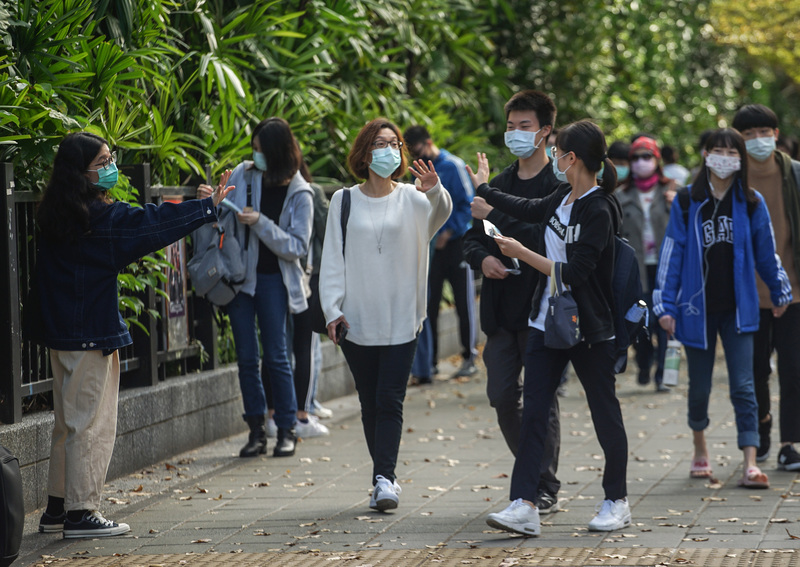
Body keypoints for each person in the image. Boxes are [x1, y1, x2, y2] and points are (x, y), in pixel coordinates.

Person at [28, 132, 231, 537]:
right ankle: (81, 513)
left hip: (62, 336)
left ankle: (57, 508)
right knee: (91, 425)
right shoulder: (99, 219)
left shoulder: (57, 213)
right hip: (91, 335)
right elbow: (151, 224)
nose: (110, 167)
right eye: (102, 162)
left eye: (110, 158)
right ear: (81, 173)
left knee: (68, 424)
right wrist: (207, 207)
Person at [474, 120, 632, 535]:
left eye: (558, 151)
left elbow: (576, 273)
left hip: (591, 328)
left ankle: (616, 500)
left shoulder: (600, 208)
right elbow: (526, 208)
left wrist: (522, 252)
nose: (554, 158)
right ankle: (524, 503)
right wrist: (485, 189)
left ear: (571, 158)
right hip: (546, 322)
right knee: (534, 414)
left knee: (604, 413)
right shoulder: (562, 196)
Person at [319, 118, 452, 511]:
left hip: (401, 317)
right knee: (369, 401)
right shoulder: (343, 200)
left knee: (390, 399)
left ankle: (384, 479)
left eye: (395, 144)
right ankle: (383, 476)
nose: (389, 150)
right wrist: (332, 309)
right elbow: (332, 257)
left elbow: (440, 214)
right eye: (380, 143)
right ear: (365, 152)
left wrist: (435, 190)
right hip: (356, 319)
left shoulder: (412, 198)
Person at [653, 127, 791, 488]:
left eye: (733, 153)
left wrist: (780, 292)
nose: (725, 159)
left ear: (740, 159)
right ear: (706, 155)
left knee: (744, 386)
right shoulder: (687, 201)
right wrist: (665, 305)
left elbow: (767, 253)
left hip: (739, 310)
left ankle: (750, 462)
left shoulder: (751, 202)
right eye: (719, 151)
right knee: (699, 387)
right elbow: (672, 253)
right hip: (695, 311)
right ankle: (700, 448)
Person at [462, 89, 563, 515]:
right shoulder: (499, 184)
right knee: (502, 396)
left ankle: (543, 484)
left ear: (545, 132)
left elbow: (545, 235)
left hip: (542, 310)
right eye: (510, 126)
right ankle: (533, 472)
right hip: (501, 313)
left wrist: (495, 215)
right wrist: (483, 259)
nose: (516, 133)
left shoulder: (559, 184)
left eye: (525, 126)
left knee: (541, 399)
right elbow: (472, 239)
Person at [196, 117, 314, 459]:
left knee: (277, 356)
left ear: (277, 152)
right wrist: (213, 201)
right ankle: (256, 431)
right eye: (254, 148)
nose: (255, 155)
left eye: (261, 150)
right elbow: (224, 221)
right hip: (239, 278)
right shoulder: (244, 174)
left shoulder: (300, 192)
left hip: (274, 280)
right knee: (247, 358)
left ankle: (287, 429)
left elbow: (296, 246)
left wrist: (260, 222)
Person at [732, 104, 800, 470]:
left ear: (775, 134)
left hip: (795, 291)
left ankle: (791, 443)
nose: (757, 139)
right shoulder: (730, 177)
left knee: (794, 369)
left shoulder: (796, 174)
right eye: (749, 134)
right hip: (746, 295)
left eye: (764, 132)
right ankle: (761, 426)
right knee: (755, 370)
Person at [405, 125, 478, 379]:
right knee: (430, 304)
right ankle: (431, 361)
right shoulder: (416, 170)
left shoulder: (452, 166)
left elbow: (468, 205)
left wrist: (448, 232)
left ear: (428, 142)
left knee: (464, 302)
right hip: (431, 247)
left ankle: (469, 357)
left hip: (456, 245)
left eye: (418, 151)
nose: (417, 157)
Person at [616, 136, 675, 391]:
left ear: (657, 160)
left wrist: (678, 205)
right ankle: (644, 361)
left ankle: (662, 375)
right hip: (635, 269)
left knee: (665, 321)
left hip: (665, 267)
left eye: (647, 157)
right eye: (636, 157)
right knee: (642, 321)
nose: (642, 162)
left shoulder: (672, 192)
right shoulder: (621, 196)